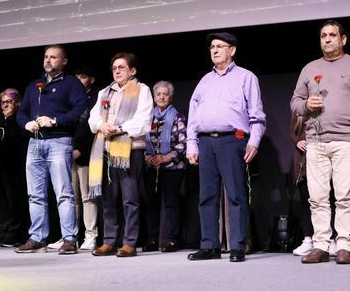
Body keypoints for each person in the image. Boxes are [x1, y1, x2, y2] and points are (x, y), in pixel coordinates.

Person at [290, 20, 350, 265]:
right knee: (316, 197)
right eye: (323, 36)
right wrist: (306, 105)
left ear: (343, 39)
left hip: (347, 140)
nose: (327, 39)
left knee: (344, 196)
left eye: (332, 35)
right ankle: (320, 245)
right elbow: (295, 102)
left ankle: (344, 245)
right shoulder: (309, 68)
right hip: (316, 141)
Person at [186, 32, 266, 263]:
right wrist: (192, 144)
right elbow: (194, 116)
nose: (214, 50)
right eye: (212, 46)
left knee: (236, 195)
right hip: (206, 142)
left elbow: (257, 115)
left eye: (220, 46)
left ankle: (237, 246)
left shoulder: (246, 77)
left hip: (232, 141)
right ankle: (209, 245)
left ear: (232, 50)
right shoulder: (205, 81)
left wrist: (254, 141)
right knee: (206, 196)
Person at [15, 45, 87, 254]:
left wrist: (54, 121)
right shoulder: (34, 85)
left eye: (53, 57)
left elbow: (80, 110)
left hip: (59, 141)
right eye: (46, 57)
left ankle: (69, 239)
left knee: (64, 193)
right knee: (35, 194)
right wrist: (26, 124)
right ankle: (38, 237)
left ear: (64, 61)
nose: (48, 60)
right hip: (35, 143)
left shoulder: (71, 84)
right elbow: (21, 113)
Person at [88, 53, 153, 257]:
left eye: (122, 67)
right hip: (106, 149)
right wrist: (102, 125)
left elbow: (144, 120)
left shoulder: (142, 90)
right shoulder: (104, 92)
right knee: (109, 198)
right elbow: (92, 118)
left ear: (132, 71)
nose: (117, 71)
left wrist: (120, 128)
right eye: (114, 67)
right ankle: (109, 240)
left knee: (129, 198)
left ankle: (130, 242)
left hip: (129, 149)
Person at [142, 80, 188, 252]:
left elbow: (182, 144)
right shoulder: (147, 116)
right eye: (158, 94)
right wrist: (148, 157)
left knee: (170, 203)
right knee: (151, 204)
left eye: (165, 94)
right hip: (151, 167)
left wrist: (165, 158)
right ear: (154, 97)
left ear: (171, 96)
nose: (161, 97)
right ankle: (153, 238)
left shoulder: (177, 117)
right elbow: (141, 140)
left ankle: (170, 240)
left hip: (172, 168)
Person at [0, 88, 29, 247]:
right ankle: (2, 230)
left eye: (9, 102)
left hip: (16, 164)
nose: (5, 105)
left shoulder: (21, 118)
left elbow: (21, 138)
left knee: (15, 198)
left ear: (18, 103)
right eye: (3, 102)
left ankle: (15, 232)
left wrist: (10, 119)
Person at [69, 65, 99, 251]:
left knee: (87, 197)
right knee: (71, 198)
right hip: (67, 152)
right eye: (77, 76)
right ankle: (70, 236)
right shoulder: (71, 98)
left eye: (83, 76)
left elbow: (93, 128)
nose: (79, 80)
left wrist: (80, 148)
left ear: (91, 80)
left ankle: (91, 235)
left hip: (86, 154)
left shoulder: (95, 99)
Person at [288, 114, 317, 256]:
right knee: (306, 202)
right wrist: (298, 141)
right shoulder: (299, 111)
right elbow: (292, 132)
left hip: (322, 158)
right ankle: (308, 240)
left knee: (327, 201)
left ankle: (330, 240)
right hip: (303, 161)